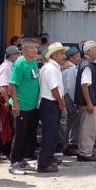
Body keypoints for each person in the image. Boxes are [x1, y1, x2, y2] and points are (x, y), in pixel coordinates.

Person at [8, 38, 41, 175]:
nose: (35, 50)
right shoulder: (20, 63)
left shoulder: (33, 61)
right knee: (20, 135)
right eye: (32, 48)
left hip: (32, 105)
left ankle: (22, 158)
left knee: (29, 134)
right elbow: (12, 85)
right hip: (21, 105)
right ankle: (14, 162)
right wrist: (16, 104)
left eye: (36, 47)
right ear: (24, 50)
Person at [37, 42, 68, 173]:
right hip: (50, 102)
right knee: (49, 134)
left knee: (53, 133)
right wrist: (61, 102)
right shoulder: (50, 68)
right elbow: (54, 88)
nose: (64, 56)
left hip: (52, 102)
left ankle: (49, 157)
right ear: (54, 55)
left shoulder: (54, 67)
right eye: (61, 53)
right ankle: (44, 163)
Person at [74, 40, 96, 162]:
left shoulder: (90, 64)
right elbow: (84, 85)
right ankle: (84, 153)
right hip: (89, 103)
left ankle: (86, 151)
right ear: (88, 51)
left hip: (91, 102)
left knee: (89, 128)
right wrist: (89, 103)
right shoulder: (87, 65)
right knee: (87, 129)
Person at [0, 45, 19, 159]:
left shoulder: (11, 66)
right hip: (3, 98)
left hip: (6, 97)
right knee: (3, 126)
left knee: (8, 126)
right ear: (12, 55)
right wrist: (7, 102)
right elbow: (3, 87)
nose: (18, 56)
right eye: (17, 54)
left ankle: (5, 150)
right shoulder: (6, 67)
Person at [60, 46, 81, 156]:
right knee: (73, 122)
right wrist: (75, 101)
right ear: (71, 57)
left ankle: (66, 143)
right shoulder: (72, 69)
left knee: (68, 122)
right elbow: (71, 87)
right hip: (70, 97)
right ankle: (71, 144)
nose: (79, 58)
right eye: (77, 56)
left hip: (65, 96)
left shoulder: (66, 68)